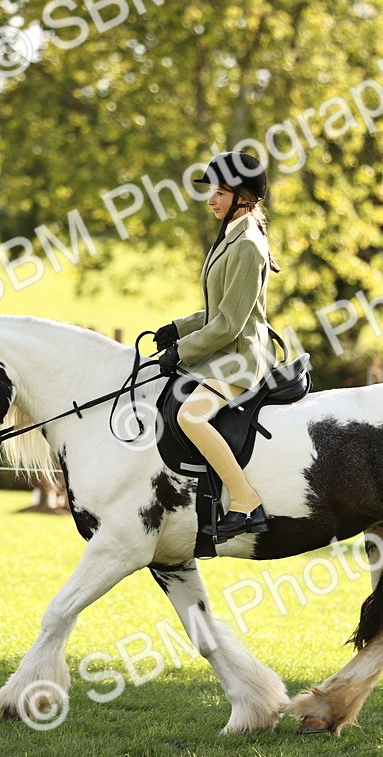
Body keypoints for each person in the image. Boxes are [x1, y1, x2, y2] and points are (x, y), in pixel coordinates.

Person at [154, 151, 280, 539]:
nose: (212, 199)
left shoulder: (247, 245)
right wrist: (177, 328)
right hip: (224, 349)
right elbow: (216, 308)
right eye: (211, 190)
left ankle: (245, 501)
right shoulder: (231, 235)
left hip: (241, 358)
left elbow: (228, 324)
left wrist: (183, 351)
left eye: (221, 192)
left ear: (244, 197)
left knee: (190, 416)